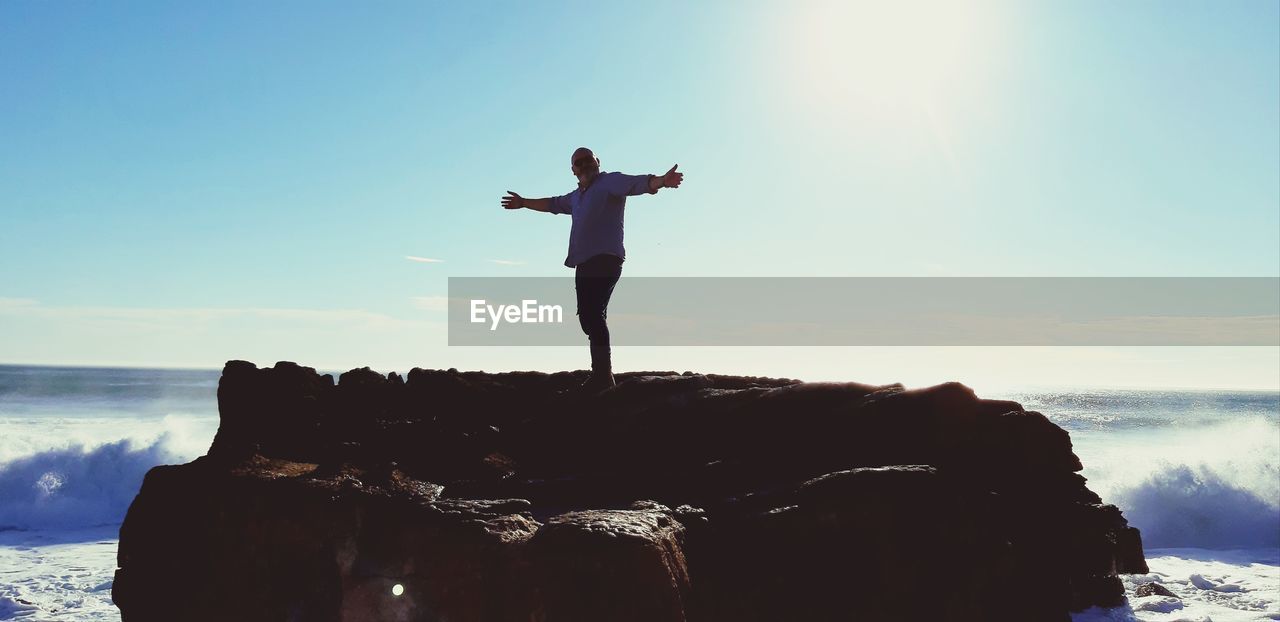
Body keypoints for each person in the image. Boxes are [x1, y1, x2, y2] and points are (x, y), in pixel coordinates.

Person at [501, 147, 684, 393]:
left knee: (593, 315)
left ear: (597, 162)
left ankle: (602, 376)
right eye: (580, 162)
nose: (585, 165)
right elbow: (553, 204)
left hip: (606, 259)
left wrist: (661, 181)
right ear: (573, 170)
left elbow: (637, 183)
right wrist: (523, 203)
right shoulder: (576, 197)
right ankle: (601, 374)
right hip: (583, 261)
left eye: (589, 160)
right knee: (589, 318)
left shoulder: (609, 182)